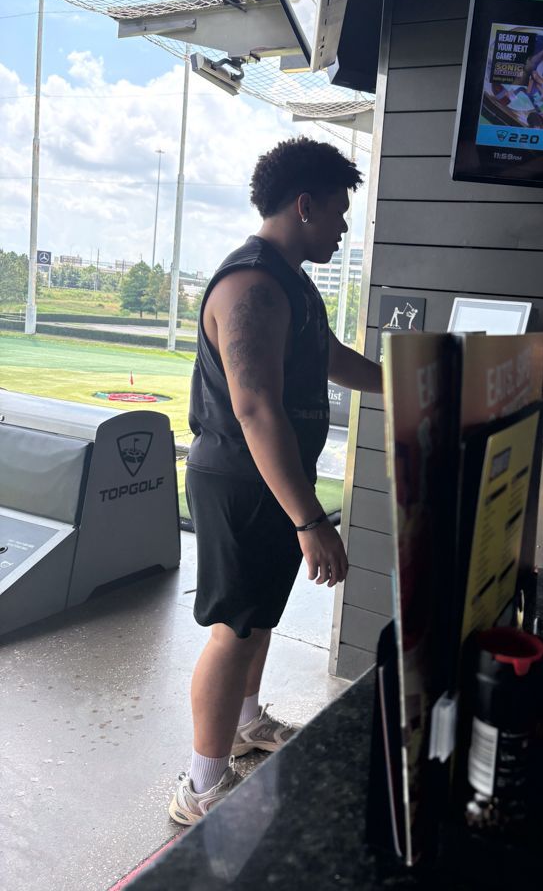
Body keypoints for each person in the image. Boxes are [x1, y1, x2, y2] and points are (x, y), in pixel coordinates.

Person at [169, 138, 383, 826]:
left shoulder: (289, 281)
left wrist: (412, 381)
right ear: (305, 204)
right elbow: (255, 407)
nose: (344, 227)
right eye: (340, 213)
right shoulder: (252, 285)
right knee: (234, 625)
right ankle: (200, 783)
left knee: (259, 616)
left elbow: (332, 358)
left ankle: (244, 723)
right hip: (240, 480)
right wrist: (310, 520)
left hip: (269, 480)